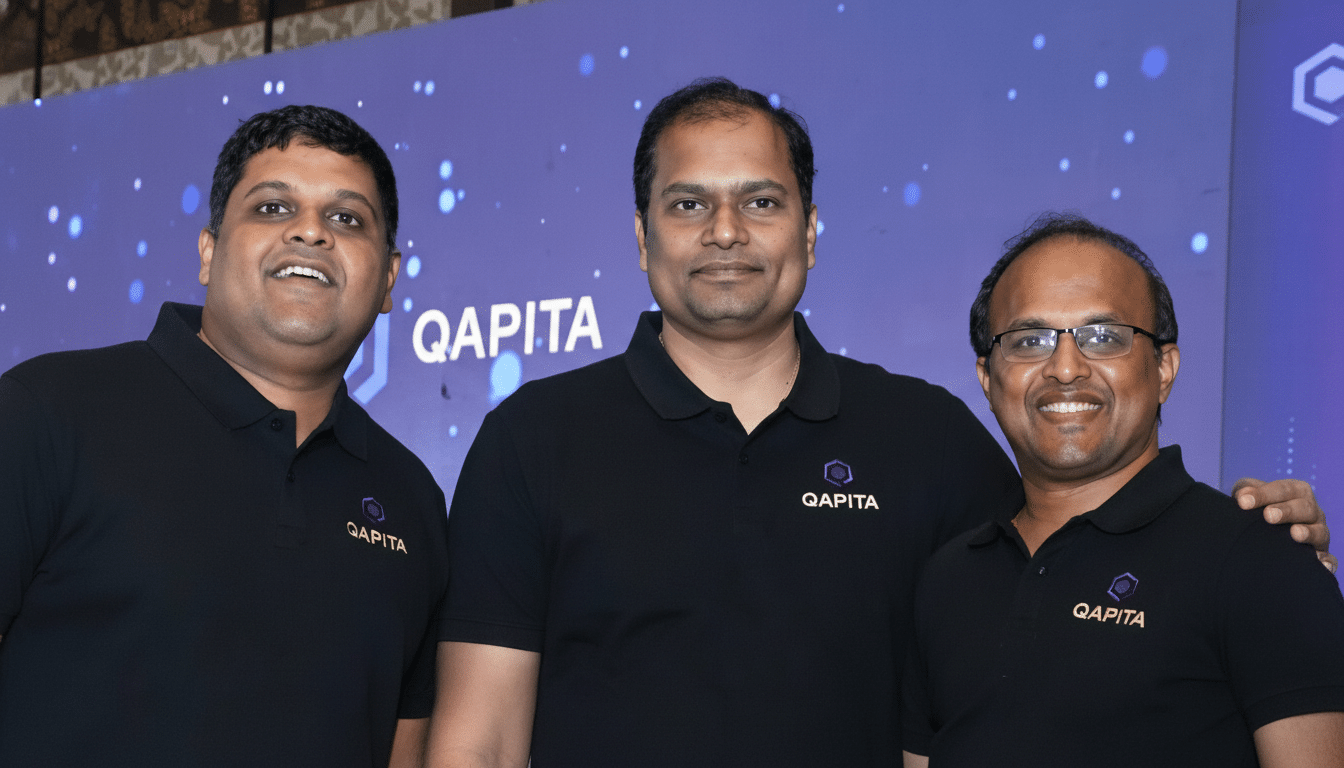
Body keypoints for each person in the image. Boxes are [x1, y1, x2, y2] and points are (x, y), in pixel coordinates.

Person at [427, 80, 1330, 768]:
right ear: (641, 235)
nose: (727, 231)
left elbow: (1083, 547)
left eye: (762, 201)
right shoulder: (534, 438)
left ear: (811, 232)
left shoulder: (927, 438)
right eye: (689, 202)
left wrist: (1266, 549)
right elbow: (480, 742)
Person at [0, 105, 447, 767]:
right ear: (208, 252)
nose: (311, 233)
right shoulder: (48, 410)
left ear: (387, 279)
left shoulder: (412, 497)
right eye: (272, 208)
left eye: (347, 218)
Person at [902, 213, 1344, 767]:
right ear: (989, 380)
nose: (1065, 367)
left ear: (1164, 367)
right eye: (1029, 340)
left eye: (1103, 337)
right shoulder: (948, 578)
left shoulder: (1261, 559)